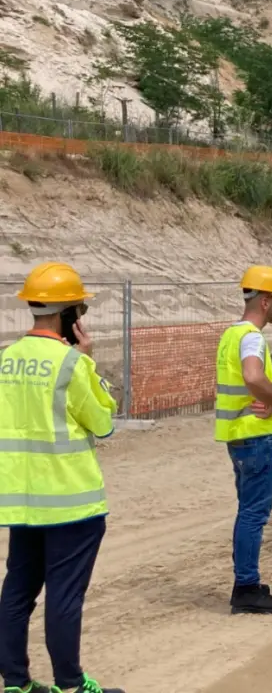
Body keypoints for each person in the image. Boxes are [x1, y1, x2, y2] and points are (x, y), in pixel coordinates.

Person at [0, 263, 123, 693]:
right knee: (64, 597)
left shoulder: (5, 360)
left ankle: (15, 683)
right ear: (68, 313)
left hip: (22, 501)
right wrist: (90, 363)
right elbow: (103, 421)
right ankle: (69, 684)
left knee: (17, 591)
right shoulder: (72, 363)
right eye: (80, 308)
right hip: (72, 501)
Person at [213, 265, 272, 614]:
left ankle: (246, 581)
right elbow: (252, 375)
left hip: (239, 437)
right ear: (264, 301)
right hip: (258, 436)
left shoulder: (231, 334)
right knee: (253, 514)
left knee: (247, 511)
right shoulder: (252, 337)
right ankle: (246, 586)